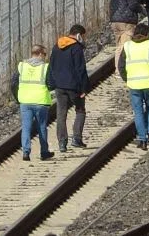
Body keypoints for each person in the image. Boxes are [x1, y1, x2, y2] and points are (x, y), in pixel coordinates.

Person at [119, 23, 149, 150]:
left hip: (134, 85)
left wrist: (127, 79)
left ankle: (142, 139)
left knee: (138, 112)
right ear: (147, 34)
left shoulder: (127, 46)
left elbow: (121, 66)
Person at [46, 24, 90, 152]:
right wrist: (84, 88)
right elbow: (80, 69)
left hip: (59, 86)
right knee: (80, 110)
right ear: (78, 35)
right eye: (82, 36)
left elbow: (51, 66)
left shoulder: (56, 46)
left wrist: (52, 83)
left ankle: (62, 143)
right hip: (74, 86)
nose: (83, 39)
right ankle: (76, 138)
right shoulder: (76, 48)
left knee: (61, 113)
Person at [11, 44, 56, 161]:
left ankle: (26, 152)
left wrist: (18, 97)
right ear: (40, 54)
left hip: (25, 101)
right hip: (40, 102)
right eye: (45, 54)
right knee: (41, 127)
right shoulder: (45, 67)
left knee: (26, 127)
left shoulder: (22, 66)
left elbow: (13, 83)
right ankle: (44, 152)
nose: (45, 57)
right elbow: (51, 84)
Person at [110, 0, 145, 76]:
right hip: (127, 21)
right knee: (126, 46)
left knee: (119, 46)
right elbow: (133, 4)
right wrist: (142, 9)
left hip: (114, 21)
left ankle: (118, 69)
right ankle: (122, 70)